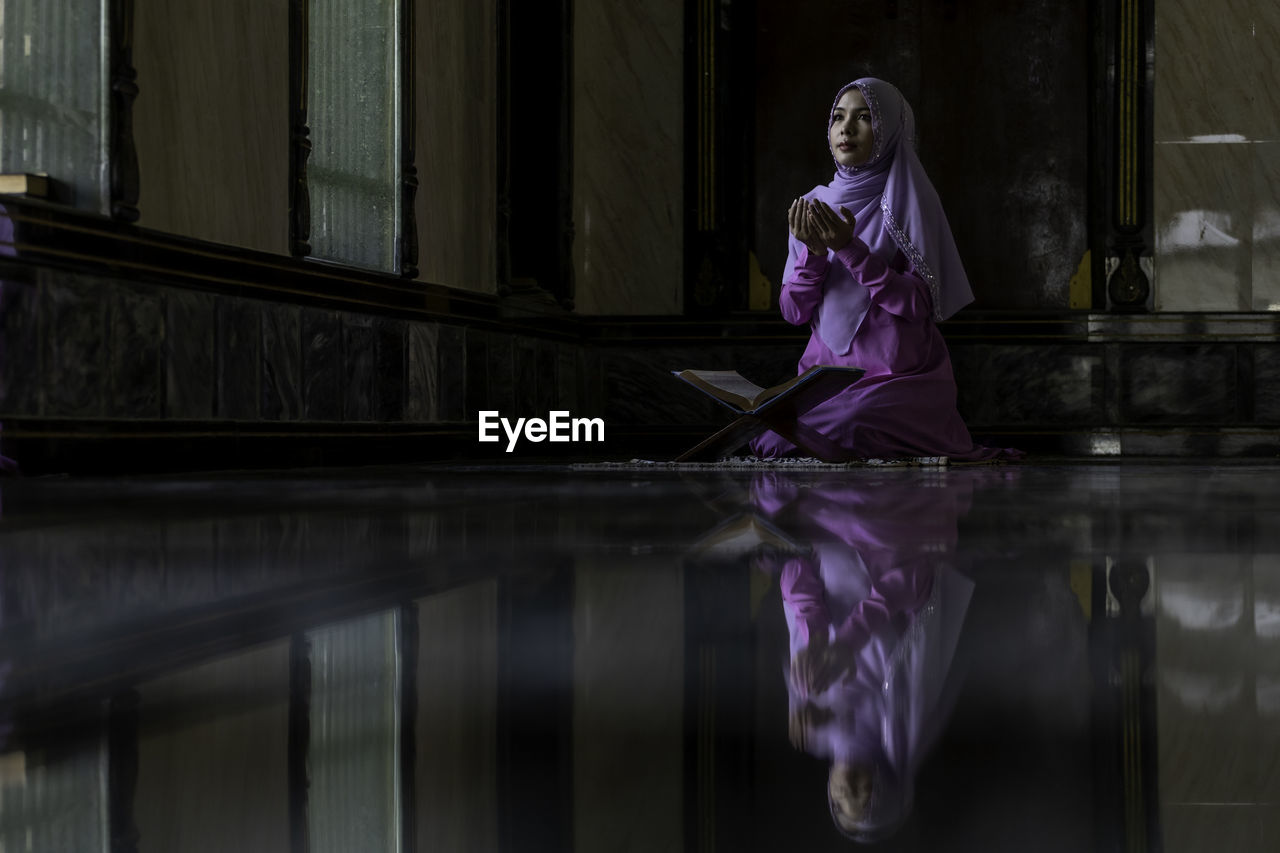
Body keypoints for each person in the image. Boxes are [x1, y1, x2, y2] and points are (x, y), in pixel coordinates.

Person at [750, 78, 1020, 462]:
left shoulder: (908, 199)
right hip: (823, 381)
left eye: (864, 118)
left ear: (891, 129)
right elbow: (794, 313)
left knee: (852, 424)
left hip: (896, 378)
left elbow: (916, 306)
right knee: (767, 435)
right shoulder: (813, 205)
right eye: (838, 118)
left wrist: (849, 249)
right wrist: (813, 252)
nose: (846, 128)